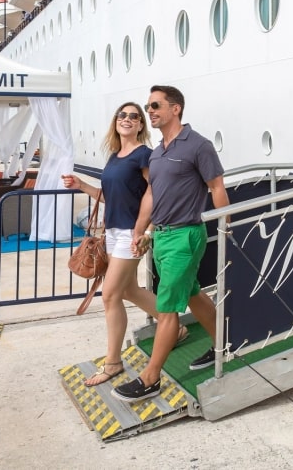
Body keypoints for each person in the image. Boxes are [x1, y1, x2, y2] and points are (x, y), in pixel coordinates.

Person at [112, 85, 229, 404]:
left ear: (175, 109)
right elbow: (151, 194)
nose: (149, 111)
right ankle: (224, 343)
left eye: (155, 106)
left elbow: (216, 186)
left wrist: (226, 225)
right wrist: (140, 230)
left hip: (184, 236)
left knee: (167, 309)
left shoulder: (198, 145)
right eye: (148, 106)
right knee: (192, 293)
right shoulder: (159, 151)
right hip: (161, 236)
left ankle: (151, 379)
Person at [61, 102, 189, 387]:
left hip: (133, 232)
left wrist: (147, 230)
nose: (128, 119)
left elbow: (157, 193)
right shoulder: (115, 157)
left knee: (109, 295)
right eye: (123, 115)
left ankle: (113, 363)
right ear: (115, 121)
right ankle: (174, 327)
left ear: (141, 125)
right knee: (128, 290)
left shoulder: (145, 155)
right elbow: (110, 197)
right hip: (113, 232)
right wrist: (81, 186)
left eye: (134, 116)